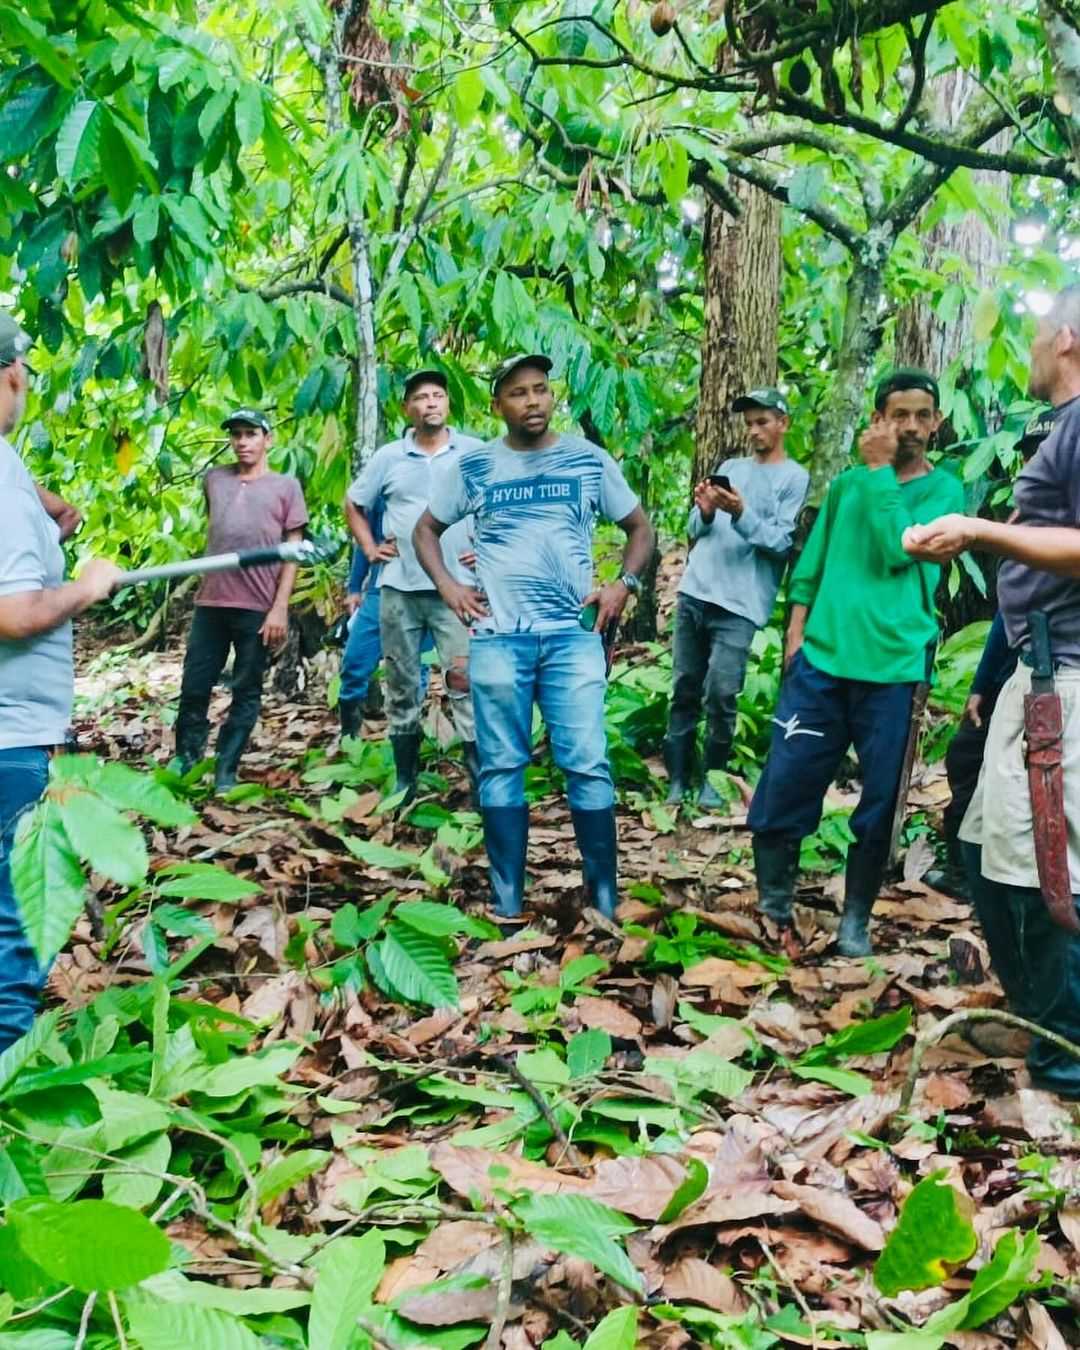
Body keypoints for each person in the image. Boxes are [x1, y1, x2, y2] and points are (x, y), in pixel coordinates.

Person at [903, 287, 1080, 1096]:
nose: (1033, 347)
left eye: (1040, 333)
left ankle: (1063, 1060)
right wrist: (993, 674)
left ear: (1068, 337)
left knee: (1054, 875)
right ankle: (1040, 1012)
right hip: (1030, 670)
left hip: (1067, 681)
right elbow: (1031, 571)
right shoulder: (1060, 431)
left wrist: (977, 529)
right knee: (978, 844)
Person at [413, 354, 655, 919]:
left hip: (572, 638)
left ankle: (603, 898)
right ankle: (507, 897)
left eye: (541, 390)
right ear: (498, 405)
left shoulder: (588, 461)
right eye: (519, 393)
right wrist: (449, 586)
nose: (534, 403)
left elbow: (638, 527)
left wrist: (624, 583)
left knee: (588, 762)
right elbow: (425, 529)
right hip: (499, 638)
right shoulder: (475, 468)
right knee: (501, 767)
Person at [748, 367, 965, 956]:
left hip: (894, 669)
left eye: (923, 415)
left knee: (879, 801)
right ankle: (773, 905)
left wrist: (877, 473)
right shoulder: (846, 486)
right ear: (879, 420)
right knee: (788, 781)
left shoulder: (946, 494)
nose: (912, 427)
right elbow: (811, 564)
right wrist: (796, 634)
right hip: (822, 661)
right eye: (900, 415)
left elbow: (903, 548)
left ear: (938, 422)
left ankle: (856, 922)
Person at [0, 311, 121, 1050]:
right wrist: (87, 585)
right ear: (12, 372)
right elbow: (13, 613)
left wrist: (41, 525)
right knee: (15, 928)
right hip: (10, 740)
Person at [665, 387, 809, 808]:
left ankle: (714, 779)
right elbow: (695, 528)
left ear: (783, 423)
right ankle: (677, 779)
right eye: (749, 423)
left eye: (763, 421)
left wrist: (739, 511)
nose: (754, 430)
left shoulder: (793, 477)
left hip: (740, 604)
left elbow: (780, 543)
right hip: (696, 589)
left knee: (722, 692)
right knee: (684, 687)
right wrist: (707, 508)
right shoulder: (731, 466)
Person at [345, 370, 482, 804]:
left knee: (464, 678)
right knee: (402, 682)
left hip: (457, 589)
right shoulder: (390, 457)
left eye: (438, 395)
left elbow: (501, 501)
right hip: (400, 588)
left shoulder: (474, 452)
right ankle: (406, 780)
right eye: (421, 397)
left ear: (448, 404)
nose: (431, 403)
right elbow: (354, 502)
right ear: (408, 408)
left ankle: (480, 784)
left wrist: (492, 548)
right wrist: (369, 547)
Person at [934, 408, 1056, 893]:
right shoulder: (1019, 521)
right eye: (1031, 455)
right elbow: (1007, 613)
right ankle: (971, 874)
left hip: (1054, 674)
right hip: (1010, 669)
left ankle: (1026, 885)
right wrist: (982, 685)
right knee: (967, 759)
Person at [174, 409, 308, 791]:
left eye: (251, 434)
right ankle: (186, 764)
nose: (243, 442)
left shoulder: (286, 487)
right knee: (195, 685)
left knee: (246, 689)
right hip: (212, 602)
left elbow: (292, 550)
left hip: (258, 606)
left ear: (268, 439)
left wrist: (279, 607)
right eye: (236, 435)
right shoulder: (215, 480)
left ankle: (226, 771)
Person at [337, 497, 432, 736]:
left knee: (415, 667)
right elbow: (365, 536)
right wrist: (355, 587)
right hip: (384, 583)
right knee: (354, 662)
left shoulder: (451, 472)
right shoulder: (388, 476)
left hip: (431, 587)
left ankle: (406, 742)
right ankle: (349, 738)